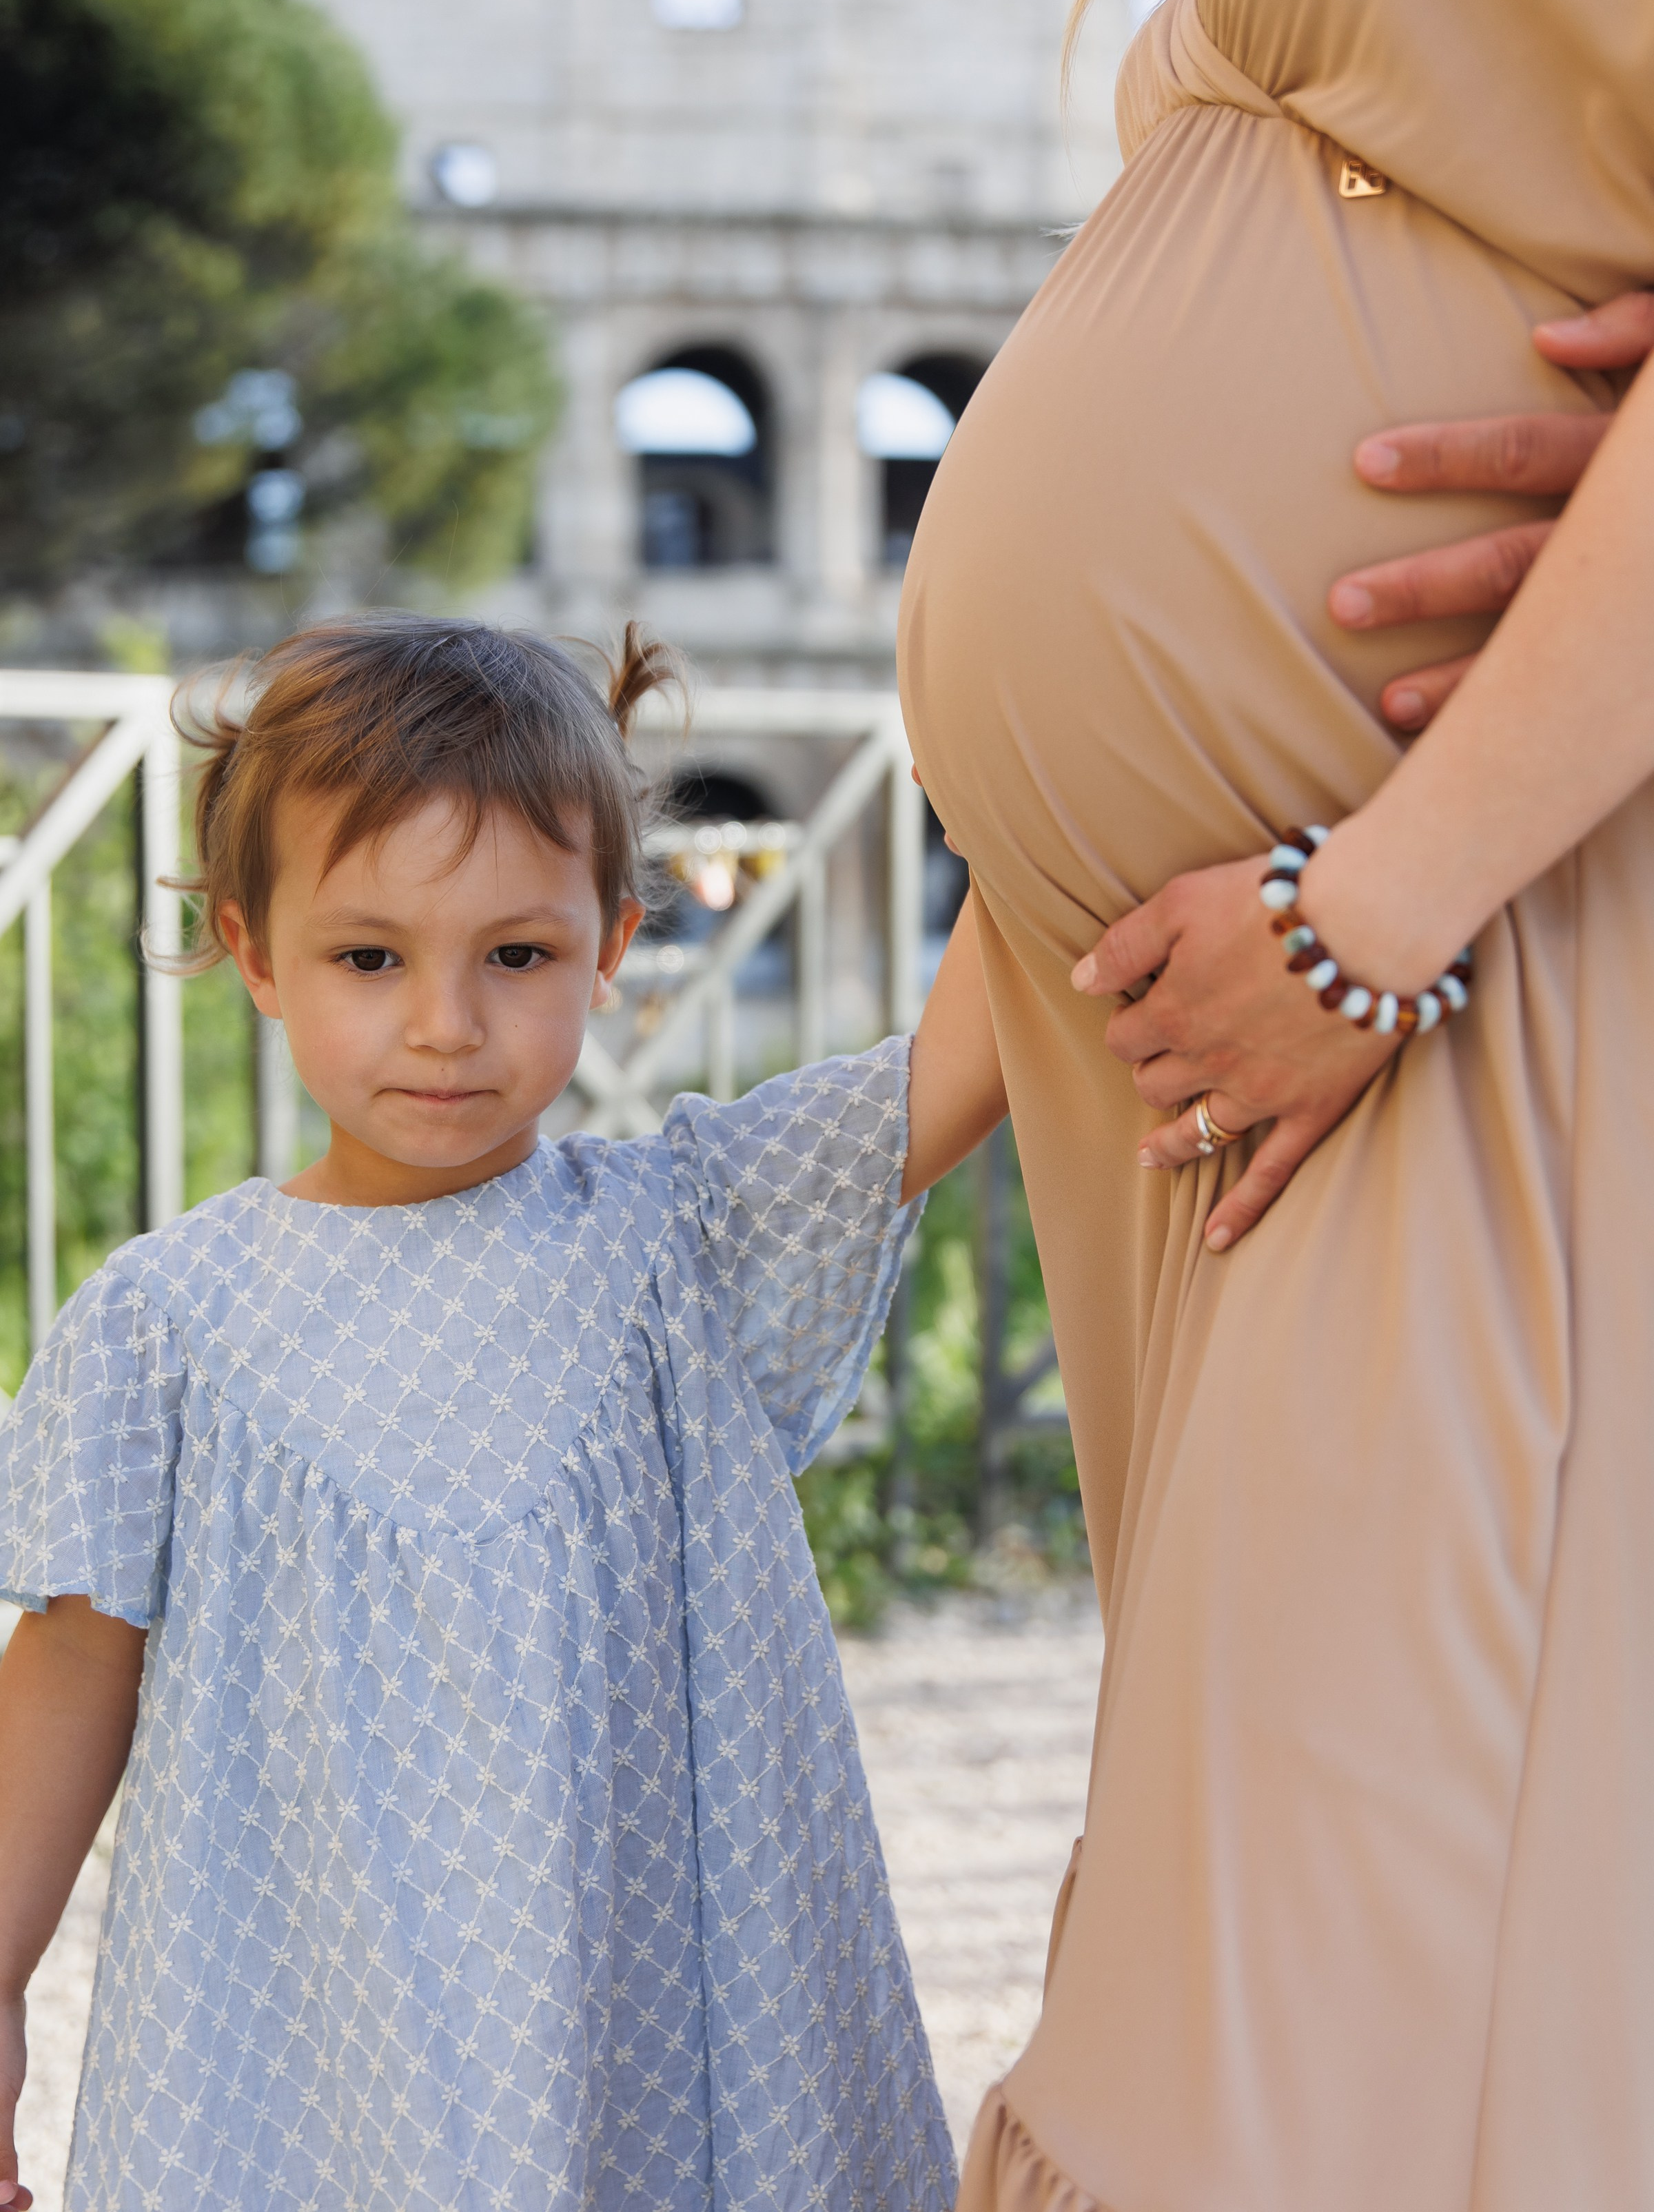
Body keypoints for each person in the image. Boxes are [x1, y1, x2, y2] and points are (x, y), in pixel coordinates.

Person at [898, 0, 1654, 2204]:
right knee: (1320, 1900)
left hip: (1449, 957)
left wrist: (1380, 909)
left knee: (1338, 1959)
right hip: (1230, 1017)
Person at [0, 616, 1008, 2212]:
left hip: (651, 2049)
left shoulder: (689, 1234)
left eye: (517, 956)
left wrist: (1051, 731)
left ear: (614, 941)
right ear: (254, 953)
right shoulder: (165, 1324)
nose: (447, 1025)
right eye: (370, 956)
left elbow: (967, 1056)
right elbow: (68, 1657)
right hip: (303, 2056)